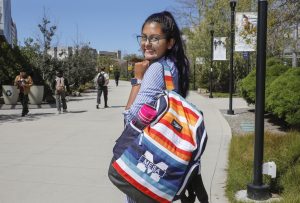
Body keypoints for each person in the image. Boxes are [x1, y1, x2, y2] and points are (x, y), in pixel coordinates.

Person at [114, 11, 207, 203]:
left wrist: (138, 79)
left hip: (145, 163)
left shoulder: (156, 69)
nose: (147, 43)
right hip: (164, 160)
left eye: (155, 39)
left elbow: (131, 118)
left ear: (170, 42)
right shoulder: (176, 66)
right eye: (144, 37)